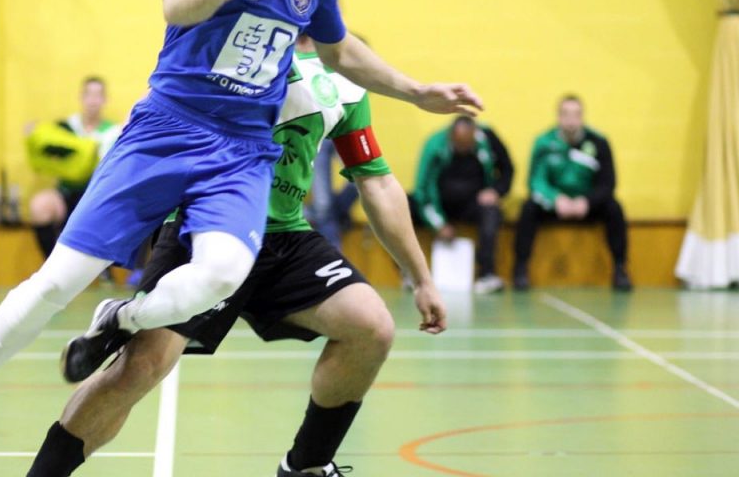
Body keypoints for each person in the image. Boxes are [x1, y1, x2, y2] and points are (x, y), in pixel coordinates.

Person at [0, 0, 482, 475]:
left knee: (226, 269)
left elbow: (342, 52)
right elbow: (177, 1)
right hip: (167, 129)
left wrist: (419, 91)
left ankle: (125, 318)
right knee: (55, 285)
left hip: (240, 155)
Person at [26, 36, 446, 477]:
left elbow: (375, 181)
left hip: (283, 237)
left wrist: (421, 278)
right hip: (206, 226)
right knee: (141, 367)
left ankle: (306, 466)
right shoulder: (233, 45)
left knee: (371, 327)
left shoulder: (347, 78)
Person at [513, 94, 631, 291]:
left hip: (586, 205)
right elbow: (535, 182)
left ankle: (620, 268)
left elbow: (608, 183)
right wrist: (555, 199)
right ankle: (520, 269)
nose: (571, 120)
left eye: (576, 114)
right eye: (566, 114)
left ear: (582, 116)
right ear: (558, 116)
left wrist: (587, 202)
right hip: (556, 205)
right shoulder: (543, 143)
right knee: (528, 207)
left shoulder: (599, 142)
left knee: (614, 207)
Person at [411, 116, 513, 293]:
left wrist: (496, 191)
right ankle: (411, 274)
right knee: (406, 205)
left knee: (491, 212)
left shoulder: (488, 138)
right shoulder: (434, 145)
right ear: (451, 136)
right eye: (459, 146)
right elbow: (423, 190)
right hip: (441, 204)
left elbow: (507, 169)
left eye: (468, 145)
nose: (464, 149)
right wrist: (438, 224)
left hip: (473, 204)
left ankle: (486, 274)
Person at [26, 77, 122, 258]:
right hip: (66, 192)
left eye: (98, 95)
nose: (93, 100)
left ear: (105, 100)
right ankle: (51, 262)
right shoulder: (66, 128)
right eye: (88, 95)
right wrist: (32, 133)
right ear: (81, 98)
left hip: (96, 195)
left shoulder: (113, 132)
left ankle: (104, 271)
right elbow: (44, 147)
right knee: (39, 205)